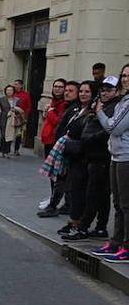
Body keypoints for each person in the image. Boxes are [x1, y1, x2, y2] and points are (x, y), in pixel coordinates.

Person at [61, 78, 115, 241]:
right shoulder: (99, 106)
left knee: (95, 195)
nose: (105, 93)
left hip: (102, 157)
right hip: (93, 157)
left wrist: (89, 138)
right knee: (100, 195)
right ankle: (99, 228)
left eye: (109, 90)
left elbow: (109, 129)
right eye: (103, 89)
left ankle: (84, 227)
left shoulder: (110, 108)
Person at [57, 81, 101, 240]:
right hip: (73, 156)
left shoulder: (94, 111)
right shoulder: (76, 108)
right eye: (81, 91)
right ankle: (73, 221)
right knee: (73, 191)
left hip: (84, 157)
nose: (83, 94)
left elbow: (87, 132)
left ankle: (79, 224)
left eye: (86, 92)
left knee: (81, 192)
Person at [96, 63, 129, 262]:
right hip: (116, 156)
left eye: (128, 76)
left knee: (126, 205)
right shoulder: (123, 100)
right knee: (117, 203)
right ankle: (116, 242)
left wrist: (100, 111)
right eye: (123, 75)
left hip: (126, 158)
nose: (125, 79)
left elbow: (114, 128)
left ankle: (126, 246)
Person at [38, 79, 72, 218]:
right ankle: (53, 197)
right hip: (48, 140)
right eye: (55, 86)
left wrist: (50, 113)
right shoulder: (53, 102)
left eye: (60, 87)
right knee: (52, 174)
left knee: (57, 174)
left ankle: (55, 200)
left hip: (55, 141)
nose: (57, 89)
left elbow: (59, 122)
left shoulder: (64, 104)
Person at [0, 85, 24, 158]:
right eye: (8, 90)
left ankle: (7, 151)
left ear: (13, 91)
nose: (9, 92)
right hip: (3, 119)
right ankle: (2, 151)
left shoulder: (17, 100)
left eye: (11, 90)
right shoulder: (1, 99)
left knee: (10, 136)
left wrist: (16, 110)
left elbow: (19, 110)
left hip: (12, 119)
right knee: (3, 135)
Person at [12, 79, 33, 156]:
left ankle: (16, 149)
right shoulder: (12, 94)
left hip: (21, 117)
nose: (15, 86)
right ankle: (6, 149)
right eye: (14, 84)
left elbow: (28, 107)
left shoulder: (26, 95)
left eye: (17, 84)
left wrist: (25, 117)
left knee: (18, 134)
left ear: (21, 85)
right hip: (11, 115)